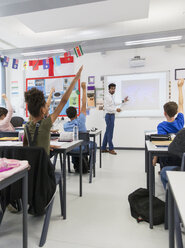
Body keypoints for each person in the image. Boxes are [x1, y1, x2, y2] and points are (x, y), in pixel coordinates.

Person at [23, 66, 83, 155]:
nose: (48, 107)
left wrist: (46, 146)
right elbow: (63, 101)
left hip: (31, 164)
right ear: (43, 110)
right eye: (46, 106)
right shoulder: (45, 124)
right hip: (43, 166)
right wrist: (75, 80)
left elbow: (26, 147)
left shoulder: (27, 126)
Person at [64, 82, 97, 170]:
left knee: (74, 143)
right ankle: (91, 165)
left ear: (67, 115)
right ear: (76, 113)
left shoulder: (65, 126)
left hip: (70, 149)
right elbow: (83, 103)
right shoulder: (81, 120)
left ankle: (76, 164)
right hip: (83, 148)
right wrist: (84, 89)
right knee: (94, 144)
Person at [153, 78, 184, 166]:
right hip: (179, 156)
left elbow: (160, 143)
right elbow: (181, 104)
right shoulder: (180, 120)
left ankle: (163, 168)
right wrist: (180, 87)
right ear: (176, 112)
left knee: (161, 155)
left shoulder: (161, 126)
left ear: (164, 113)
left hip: (167, 156)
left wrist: (155, 157)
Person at [101, 83, 128, 155]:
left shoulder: (111, 96)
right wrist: (116, 110)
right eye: (112, 88)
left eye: (114, 88)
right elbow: (107, 108)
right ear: (109, 89)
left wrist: (123, 101)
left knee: (107, 132)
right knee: (110, 133)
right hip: (109, 116)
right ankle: (111, 149)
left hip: (111, 115)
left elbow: (114, 103)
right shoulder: (107, 97)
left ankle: (103, 148)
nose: (113, 90)